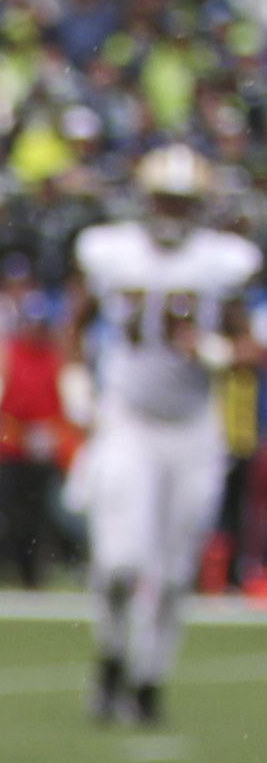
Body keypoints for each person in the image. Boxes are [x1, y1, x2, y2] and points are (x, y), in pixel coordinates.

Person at [73, 146, 262, 729]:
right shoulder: (111, 253)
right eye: (164, 199)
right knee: (120, 563)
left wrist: (217, 352)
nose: (172, 212)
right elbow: (73, 326)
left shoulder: (221, 263)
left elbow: (251, 348)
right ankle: (110, 653)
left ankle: (149, 677)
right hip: (128, 419)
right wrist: (74, 382)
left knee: (176, 571)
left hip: (192, 429)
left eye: (182, 201)